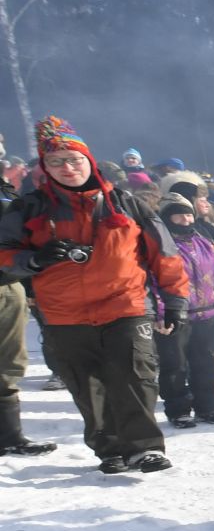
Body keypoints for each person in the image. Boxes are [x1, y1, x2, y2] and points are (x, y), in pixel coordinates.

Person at [0, 117, 187, 472]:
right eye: (57, 162)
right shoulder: (28, 208)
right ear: (45, 167)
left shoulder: (125, 203)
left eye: (75, 159)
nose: (68, 168)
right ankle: (110, 448)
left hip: (125, 304)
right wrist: (33, 259)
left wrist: (175, 301)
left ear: (89, 160)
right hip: (63, 313)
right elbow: (4, 253)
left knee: (135, 375)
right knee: (87, 385)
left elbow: (165, 254)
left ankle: (144, 447)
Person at [155, 196, 214, 426]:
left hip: (207, 313)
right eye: (178, 215)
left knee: (206, 363)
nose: (185, 219)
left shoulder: (202, 242)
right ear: (167, 218)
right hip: (174, 314)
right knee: (174, 365)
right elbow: (150, 281)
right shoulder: (160, 244)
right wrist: (160, 312)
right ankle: (178, 410)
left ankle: (208, 407)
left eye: (188, 214)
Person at [0, 171, 56, 455]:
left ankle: (8, 437)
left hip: (8, 285)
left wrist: (31, 285)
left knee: (9, 364)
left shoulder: (10, 195)